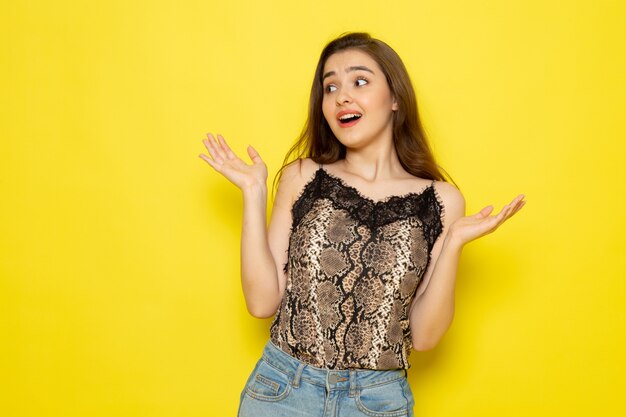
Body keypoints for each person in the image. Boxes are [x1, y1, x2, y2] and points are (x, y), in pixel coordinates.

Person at [199, 32, 525, 417]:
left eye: (359, 81)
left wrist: (454, 242)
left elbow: (425, 336)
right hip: (283, 390)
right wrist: (253, 194)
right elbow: (261, 302)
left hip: (377, 401)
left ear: (395, 98)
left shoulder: (441, 201)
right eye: (330, 86)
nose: (341, 96)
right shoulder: (303, 177)